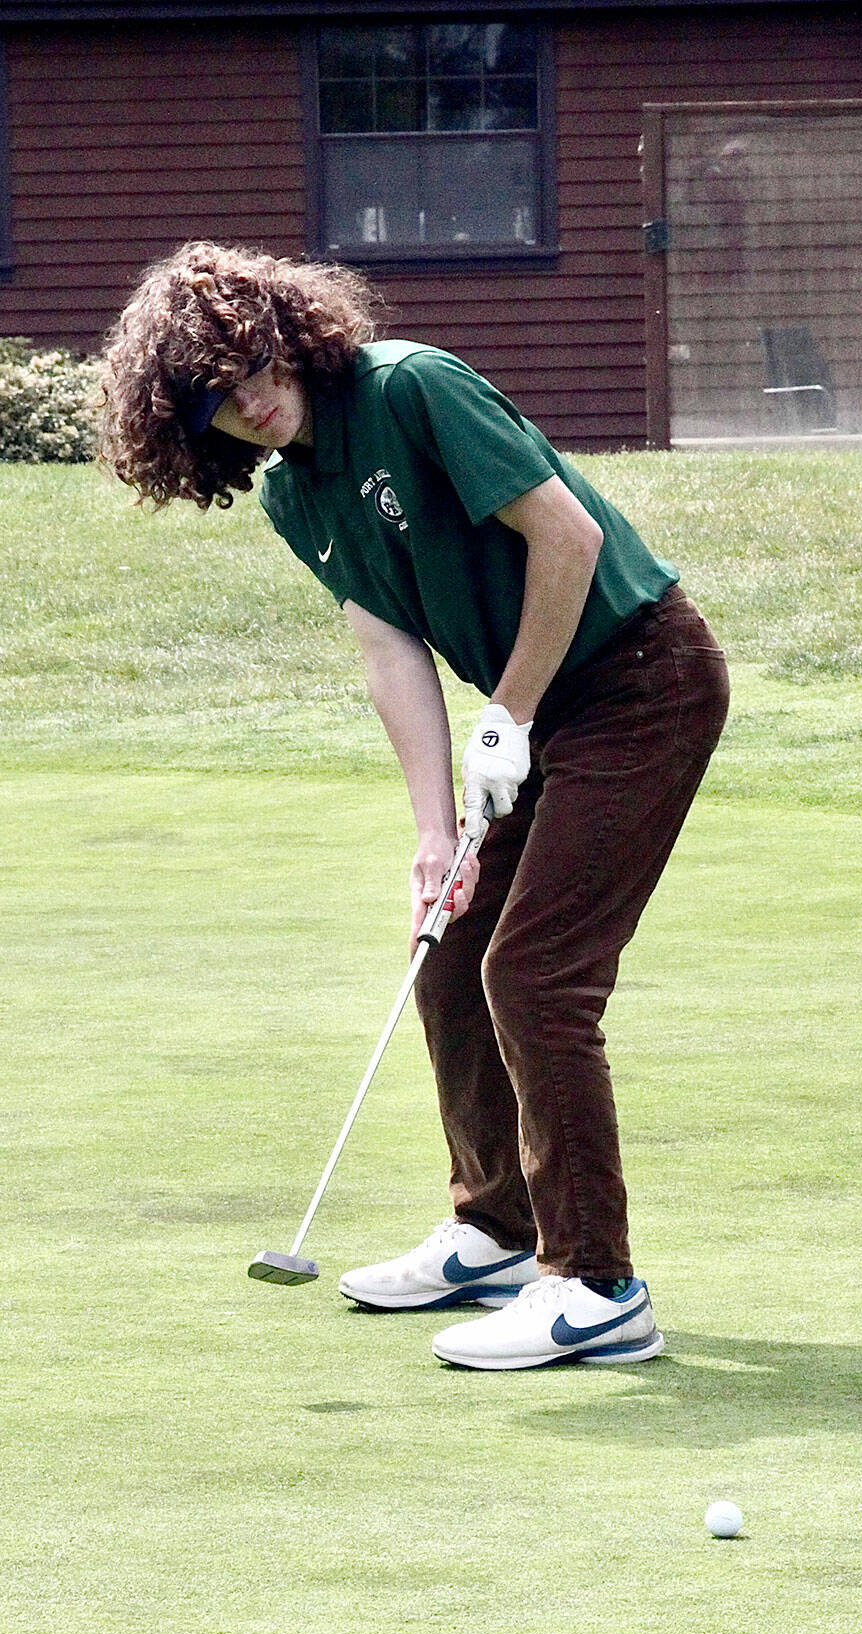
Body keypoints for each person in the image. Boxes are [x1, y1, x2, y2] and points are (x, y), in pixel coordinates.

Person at [99, 241, 728, 1371]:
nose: (247, 399)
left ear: (285, 332)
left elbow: (568, 538)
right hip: (535, 711)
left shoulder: (410, 387)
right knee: (448, 947)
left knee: (534, 973)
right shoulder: (297, 496)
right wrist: (436, 835)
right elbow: (389, 652)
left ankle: (598, 1282)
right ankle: (495, 1227)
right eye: (213, 399)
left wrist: (511, 712)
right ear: (194, 429)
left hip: (639, 678)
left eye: (248, 364)